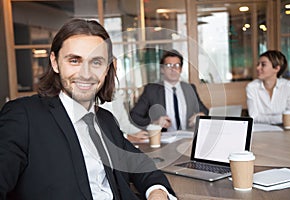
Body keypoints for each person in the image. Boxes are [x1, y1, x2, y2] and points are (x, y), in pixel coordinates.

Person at [0, 18, 176, 200]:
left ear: (107, 68)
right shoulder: (23, 116)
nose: (86, 74)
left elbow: (139, 164)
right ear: (55, 62)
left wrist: (157, 191)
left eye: (96, 62)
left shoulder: (105, 120)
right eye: (75, 60)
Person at [130, 49, 208, 131]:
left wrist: (200, 116)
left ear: (181, 69)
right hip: (162, 139)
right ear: (162, 69)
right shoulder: (151, 90)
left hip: (187, 138)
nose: (173, 69)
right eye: (168, 65)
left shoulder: (190, 89)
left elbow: (205, 111)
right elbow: (134, 116)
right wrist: (154, 123)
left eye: (177, 65)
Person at [246, 50, 290, 125]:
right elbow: (254, 117)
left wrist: (264, 118)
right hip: (260, 131)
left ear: (277, 68)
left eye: (263, 65)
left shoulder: (289, 86)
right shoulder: (252, 87)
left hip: (285, 130)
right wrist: (282, 118)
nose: (258, 68)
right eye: (258, 64)